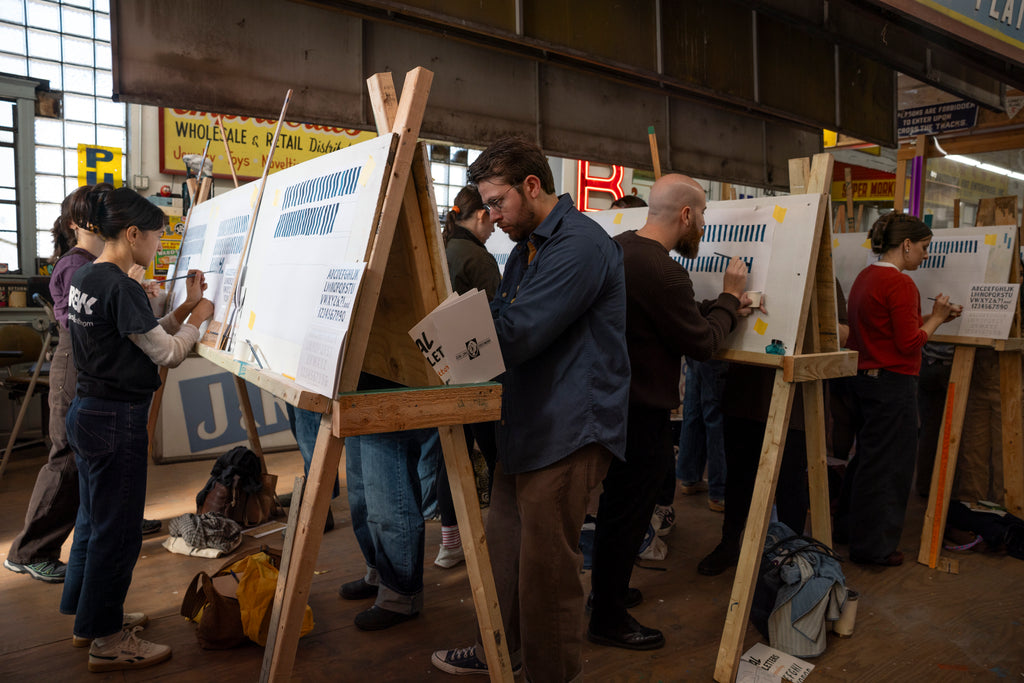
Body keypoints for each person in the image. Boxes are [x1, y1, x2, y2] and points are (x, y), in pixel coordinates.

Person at [432, 137, 629, 681]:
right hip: (528, 423)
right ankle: (498, 648)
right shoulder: (527, 249)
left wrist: (446, 334)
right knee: (506, 555)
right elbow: (497, 313)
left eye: (498, 202)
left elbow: (515, 332)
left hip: (568, 429)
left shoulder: (579, 245)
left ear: (533, 186)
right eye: (487, 205)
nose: (492, 216)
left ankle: (548, 673)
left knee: (547, 575)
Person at [588, 174, 751, 650]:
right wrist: (727, 298)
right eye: (701, 215)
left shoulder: (618, 248)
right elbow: (702, 344)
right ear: (686, 215)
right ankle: (608, 620)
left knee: (615, 509)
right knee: (627, 512)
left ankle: (607, 596)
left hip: (611, 403)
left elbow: (656, 312)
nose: (702, 225)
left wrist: (708, 306)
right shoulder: (664, 270)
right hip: (642, 413)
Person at [60, 186, 213, 672]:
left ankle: (90, 620)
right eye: (155, 239)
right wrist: (202, 325)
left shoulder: (88, 275)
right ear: (132, 235)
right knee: (118, 532)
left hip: (88, 411)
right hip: (115, 418)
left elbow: (144, 331)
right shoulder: (122, 286)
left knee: (92, 521)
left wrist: (187, 308)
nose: (159, 248)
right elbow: (166, 352)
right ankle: (107, 639)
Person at [5, 185, 159, 586]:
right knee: (68, 462)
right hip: (77, 367)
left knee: (83, 466)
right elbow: (92, 325)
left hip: (84, 366)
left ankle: (98, 525)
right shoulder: (81, 267)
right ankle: (31, 551)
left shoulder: (96, 265)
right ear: (84, 224)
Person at [840, 211, 960, 566]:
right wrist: (937, 317)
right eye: (923, 248)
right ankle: (873, 548)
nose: (926, 255)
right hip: (892, 385)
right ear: (906, 245)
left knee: (868, 461)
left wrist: (932, 319)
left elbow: (889, 329)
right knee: (889, 468)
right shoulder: (901, 284)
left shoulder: (866, 276)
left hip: (865, 380)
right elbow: (909, 344)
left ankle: (849, 531)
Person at [433, 185, 501, 569]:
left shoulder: (442, 250)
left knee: (452, 458)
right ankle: (502, 536)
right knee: (497, 457)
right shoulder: (477, 258)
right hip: (480, 371)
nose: (494, 226)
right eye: (491, 216)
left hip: (444, 371)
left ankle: (449, 545)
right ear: (480, 216)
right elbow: (498, 321)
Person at [337, 426, 442, 630]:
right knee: (362, 493)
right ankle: (378, 574)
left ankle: (400, 596)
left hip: (387, 400)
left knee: (387, 491)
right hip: (355, 398)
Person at [676, 357, 729, 511]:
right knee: (715, 421)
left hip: (696, 349)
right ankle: (718, 493)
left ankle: (690, 478)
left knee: (693, 412)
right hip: (716, 350)